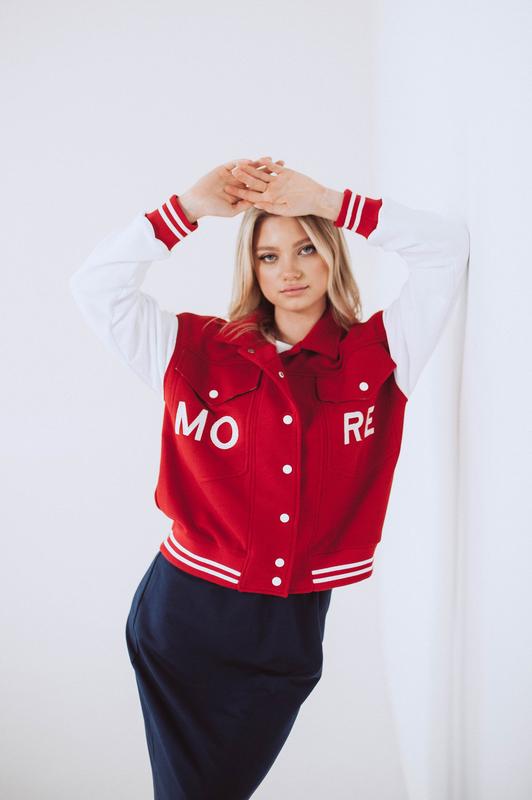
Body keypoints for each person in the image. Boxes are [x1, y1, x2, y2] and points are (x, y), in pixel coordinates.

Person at [68, 156, 470, 799]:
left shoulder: (381, 351)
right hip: (187, 612)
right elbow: (95, 287)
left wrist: (327, 200)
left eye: (306, 248)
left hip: (289, 627)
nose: (290, 270)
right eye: (269, 256)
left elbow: (445, 250)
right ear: (251, 269)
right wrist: (187, 210)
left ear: (332, 255)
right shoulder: (192, 350)